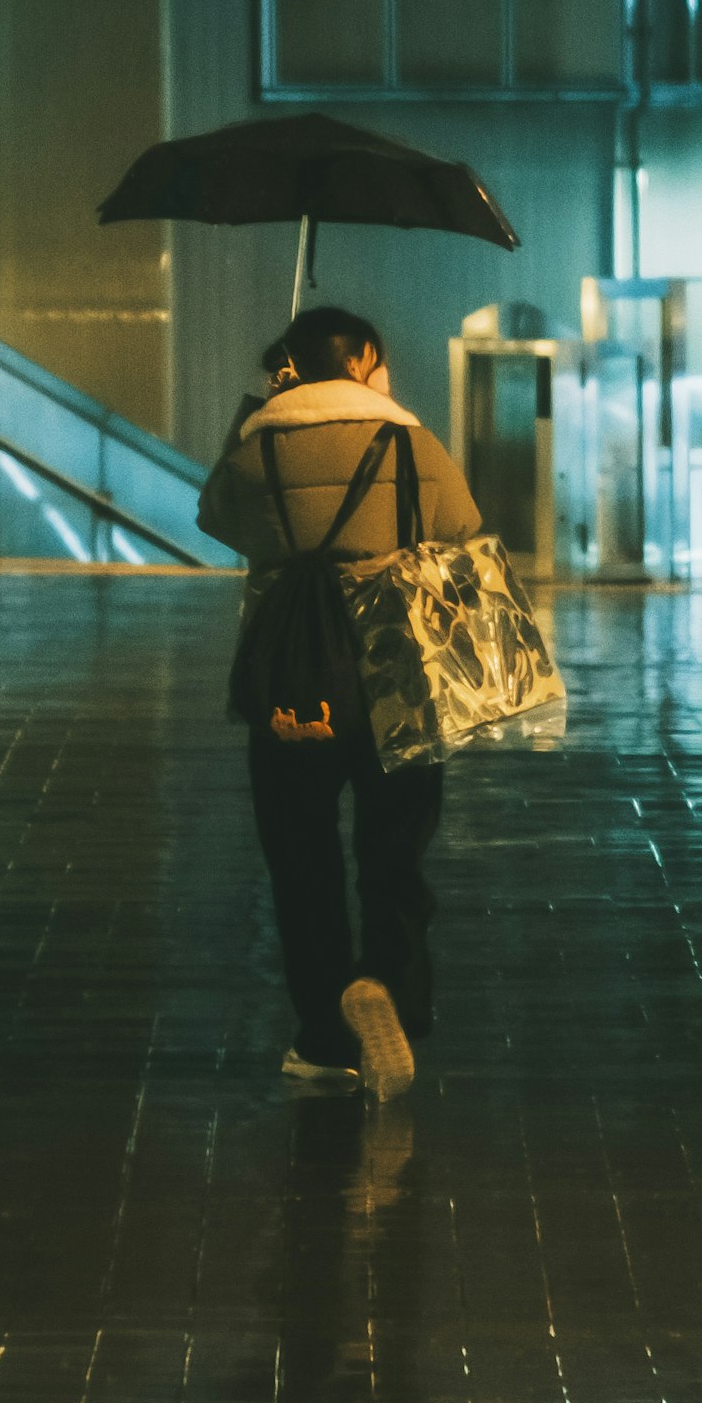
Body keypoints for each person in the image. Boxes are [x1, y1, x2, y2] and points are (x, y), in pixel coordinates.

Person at [196, 302, 485, 1101]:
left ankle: (325, 1041)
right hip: (399, 676)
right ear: (362, 358)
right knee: (395, 854)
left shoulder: (261, 447)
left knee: (301, 860)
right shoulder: (410, 439)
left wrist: (257, 417)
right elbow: (462, 524)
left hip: (293, 679)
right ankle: (388, 988)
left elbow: (216, 517)